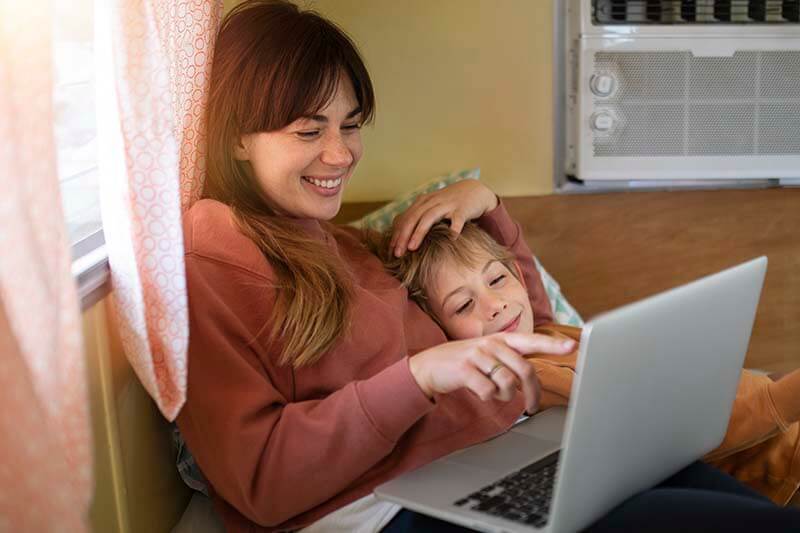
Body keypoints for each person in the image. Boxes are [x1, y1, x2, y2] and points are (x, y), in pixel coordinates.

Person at [176, 1, 800, 531]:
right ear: (236, 135)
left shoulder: (339, 242)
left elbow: (539, 334)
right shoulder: (215, 250)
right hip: (391, 510)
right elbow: (258, 480)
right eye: (309, 132)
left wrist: (492, 211)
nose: (340, 154)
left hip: (500, 456)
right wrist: (418, 377)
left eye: (350, 125)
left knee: (722, 492)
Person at [370, 220, 800, 507]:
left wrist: (485, 201)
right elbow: (669, 432)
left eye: (498, 279)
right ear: (442, 335)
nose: (496, 305)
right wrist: (783, 398)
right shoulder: (526, 376)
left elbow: (521, 266)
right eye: (464, 305)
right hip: (772, 459)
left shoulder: (546, 331)